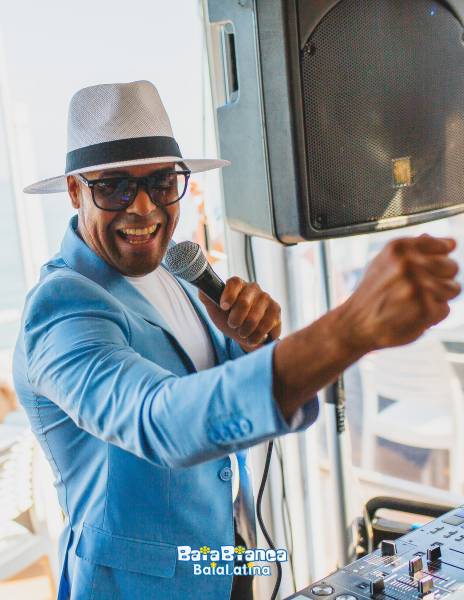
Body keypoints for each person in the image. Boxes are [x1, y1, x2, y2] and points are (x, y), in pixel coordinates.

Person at [13, 80, 460, 600]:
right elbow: (156, 420)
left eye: (162, 182)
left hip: (224, 557)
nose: (144, 207)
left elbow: (219, 391)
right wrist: (348, 329)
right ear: (75, 191)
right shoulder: (62, 307)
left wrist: (250, 345)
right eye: (114, 187)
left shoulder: (175, 268)